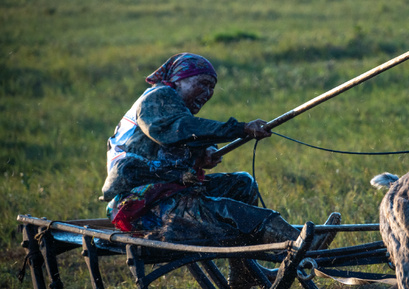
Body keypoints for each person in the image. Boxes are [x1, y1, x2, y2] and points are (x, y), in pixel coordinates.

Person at [102, 53, 340, 288]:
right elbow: (180, 129)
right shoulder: (158, 96)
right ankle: (298, 244)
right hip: (143, 207)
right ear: (179, 80)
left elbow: (179, 140)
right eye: (203, 84)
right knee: (229, 211)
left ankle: (244, 273)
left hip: (170, 195)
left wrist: (203, 153)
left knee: (242, 185)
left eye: (212, 88)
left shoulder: (170, 107)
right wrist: (240, 128)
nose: (208, 94)